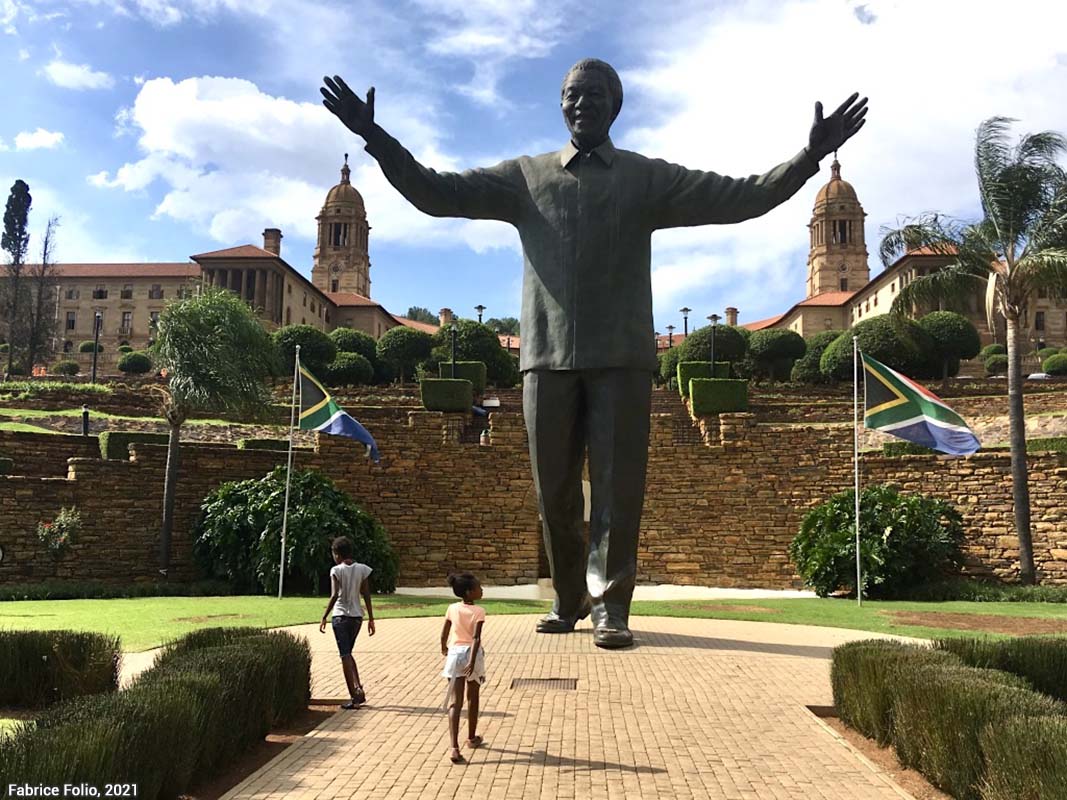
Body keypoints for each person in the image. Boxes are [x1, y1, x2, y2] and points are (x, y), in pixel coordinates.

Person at [322, 59, 867, 650]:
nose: (582, 104)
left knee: (616, 489)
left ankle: (611, 605)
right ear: (560, 105)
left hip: (621, 358)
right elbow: (434, 192)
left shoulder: (644, 178)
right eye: (571, 95)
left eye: (595, 95)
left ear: (616, 105)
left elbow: (740, 198)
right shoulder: (524, 177)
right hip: (546, 358)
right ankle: (569, 595)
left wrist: (806, 158)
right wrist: (375, 138)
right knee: (552, 490)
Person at [319, 536, 375, 709]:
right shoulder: (363, 569)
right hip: (357, 617)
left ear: (337, 554)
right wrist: (371, 618)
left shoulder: (336, 570)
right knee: (348, 653)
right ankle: (359, 689)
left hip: (340, 617)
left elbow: (334, 594)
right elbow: (366, 594)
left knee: (344, 655)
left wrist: (324, 616)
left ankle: (354, 697)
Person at [440, 571, 486, 764]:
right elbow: (476, 638)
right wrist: (472, 660)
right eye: (478, 587)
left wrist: (443, 646)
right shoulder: (479, 611)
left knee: (455, 701)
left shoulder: (452, 608)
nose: (481, 589)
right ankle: (472, 737)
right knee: (472, 697)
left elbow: (445, 630)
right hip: (470, 654)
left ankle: (454, 747)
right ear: (469, 592)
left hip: (454, 653)